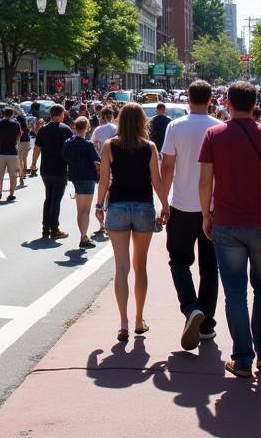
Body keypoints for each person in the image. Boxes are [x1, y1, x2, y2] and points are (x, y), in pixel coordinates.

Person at [199, 81, 261, 378]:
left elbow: (205, 181)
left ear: (228, 103)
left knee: (234, 291)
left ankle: (243, 357)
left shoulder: (214, 134)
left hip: (226, 221)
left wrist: (205, 214)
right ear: (255, 103)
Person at [96, 102, 170, 342]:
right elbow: (156, 181)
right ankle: (139, 319)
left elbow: (104, 181)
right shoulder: (149, 147)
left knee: (121, 268)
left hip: (117, 206)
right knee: (141, 267)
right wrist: (165, 204)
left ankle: (123, 323)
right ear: (142, 122)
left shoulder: (109, 146)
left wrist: (99, 206)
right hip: (143, 207)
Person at [160, 79, 219, 350]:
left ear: (187, 98)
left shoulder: (175, 126)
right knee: (210, 267)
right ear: (210, 100)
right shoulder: (219, 127)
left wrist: (164, 200)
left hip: (181, 205)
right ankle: (207, 324)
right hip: (213, 208)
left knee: (179, 261)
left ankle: (191, 306)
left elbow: (168, 167)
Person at [32, 104, 73, 241]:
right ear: (61, 114)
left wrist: (33, 164)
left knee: (48, 198)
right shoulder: (66, 130)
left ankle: (45, 228)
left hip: (45, 169)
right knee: (56, 200)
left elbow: (37, 148)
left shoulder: (43, 130)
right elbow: (70, 150)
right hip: (60, 169)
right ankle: (54, 229)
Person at [62, 117, 101, 248]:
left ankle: (83, 235)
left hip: (75, 176)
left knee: (80, 210)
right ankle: (83, 237)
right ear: (87, 128)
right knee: (85, 210)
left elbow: (65, 157)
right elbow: (97, 161)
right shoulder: (87, 144)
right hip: (87, 177)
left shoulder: (68, 142)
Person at [0, 106, 22, 202]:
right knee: (13, 175)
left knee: (0, 174)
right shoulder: (16, 124)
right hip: (12, 152)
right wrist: (16, 144)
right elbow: (19, 136)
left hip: (1, 152)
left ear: (4, 114)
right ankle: (11, 194)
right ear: (12, 114)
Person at [14, 106, 31, 188]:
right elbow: (28, 131)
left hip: (20, 142)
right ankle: (24, 173)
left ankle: (21, 175)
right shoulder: (24, 122)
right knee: (24, 159)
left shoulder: (16, 121)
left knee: (20, 160)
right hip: (27, 141)